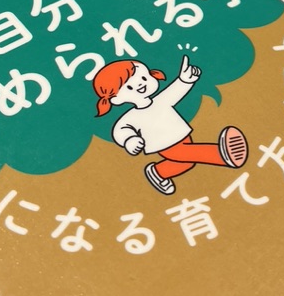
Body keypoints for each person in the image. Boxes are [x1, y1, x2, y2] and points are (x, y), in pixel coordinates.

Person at [93, 54, 248, 195]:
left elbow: (174, 92)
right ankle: (222, 155)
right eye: (129, 87)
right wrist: (130, 140)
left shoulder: (159, 100)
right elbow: (121, 130)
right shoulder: (130, 117)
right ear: (116, 99)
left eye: (144, 78)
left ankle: (158, 172)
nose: (141, 85)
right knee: (185, 154)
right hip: (163, 144)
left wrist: (185, 79)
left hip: (181, 135)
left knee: (186, 163)